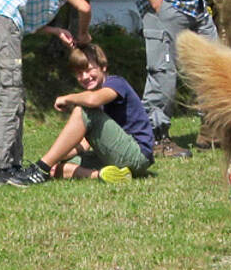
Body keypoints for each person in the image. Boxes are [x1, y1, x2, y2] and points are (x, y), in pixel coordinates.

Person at [0, 0, 95, 187]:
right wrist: (83, 35)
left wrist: (55, 31)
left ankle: (12, 165)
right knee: (11, 97)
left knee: (16, 97)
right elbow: (84, 8)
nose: (70, 1)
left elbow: (23, 22)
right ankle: (0, 168)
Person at [27, 43, 154, 184]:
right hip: (117, 154)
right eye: (79, 73)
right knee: (56, 168)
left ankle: (40, 168)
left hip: (137, 154)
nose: (85, 77)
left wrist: (67, 98)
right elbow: (85, 143)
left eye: (88, 70)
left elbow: (93, 100)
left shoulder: (116, 83)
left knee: (83, 110)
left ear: (103, 67)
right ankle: (103, 175)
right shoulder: (95, 99)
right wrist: (58, 157)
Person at [129, 0, 217, 158]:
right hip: (166, 6)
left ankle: (212, 133)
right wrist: (156, 2)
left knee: (214, 70)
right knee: (163, 75)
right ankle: (155, 139)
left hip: (197, 7)